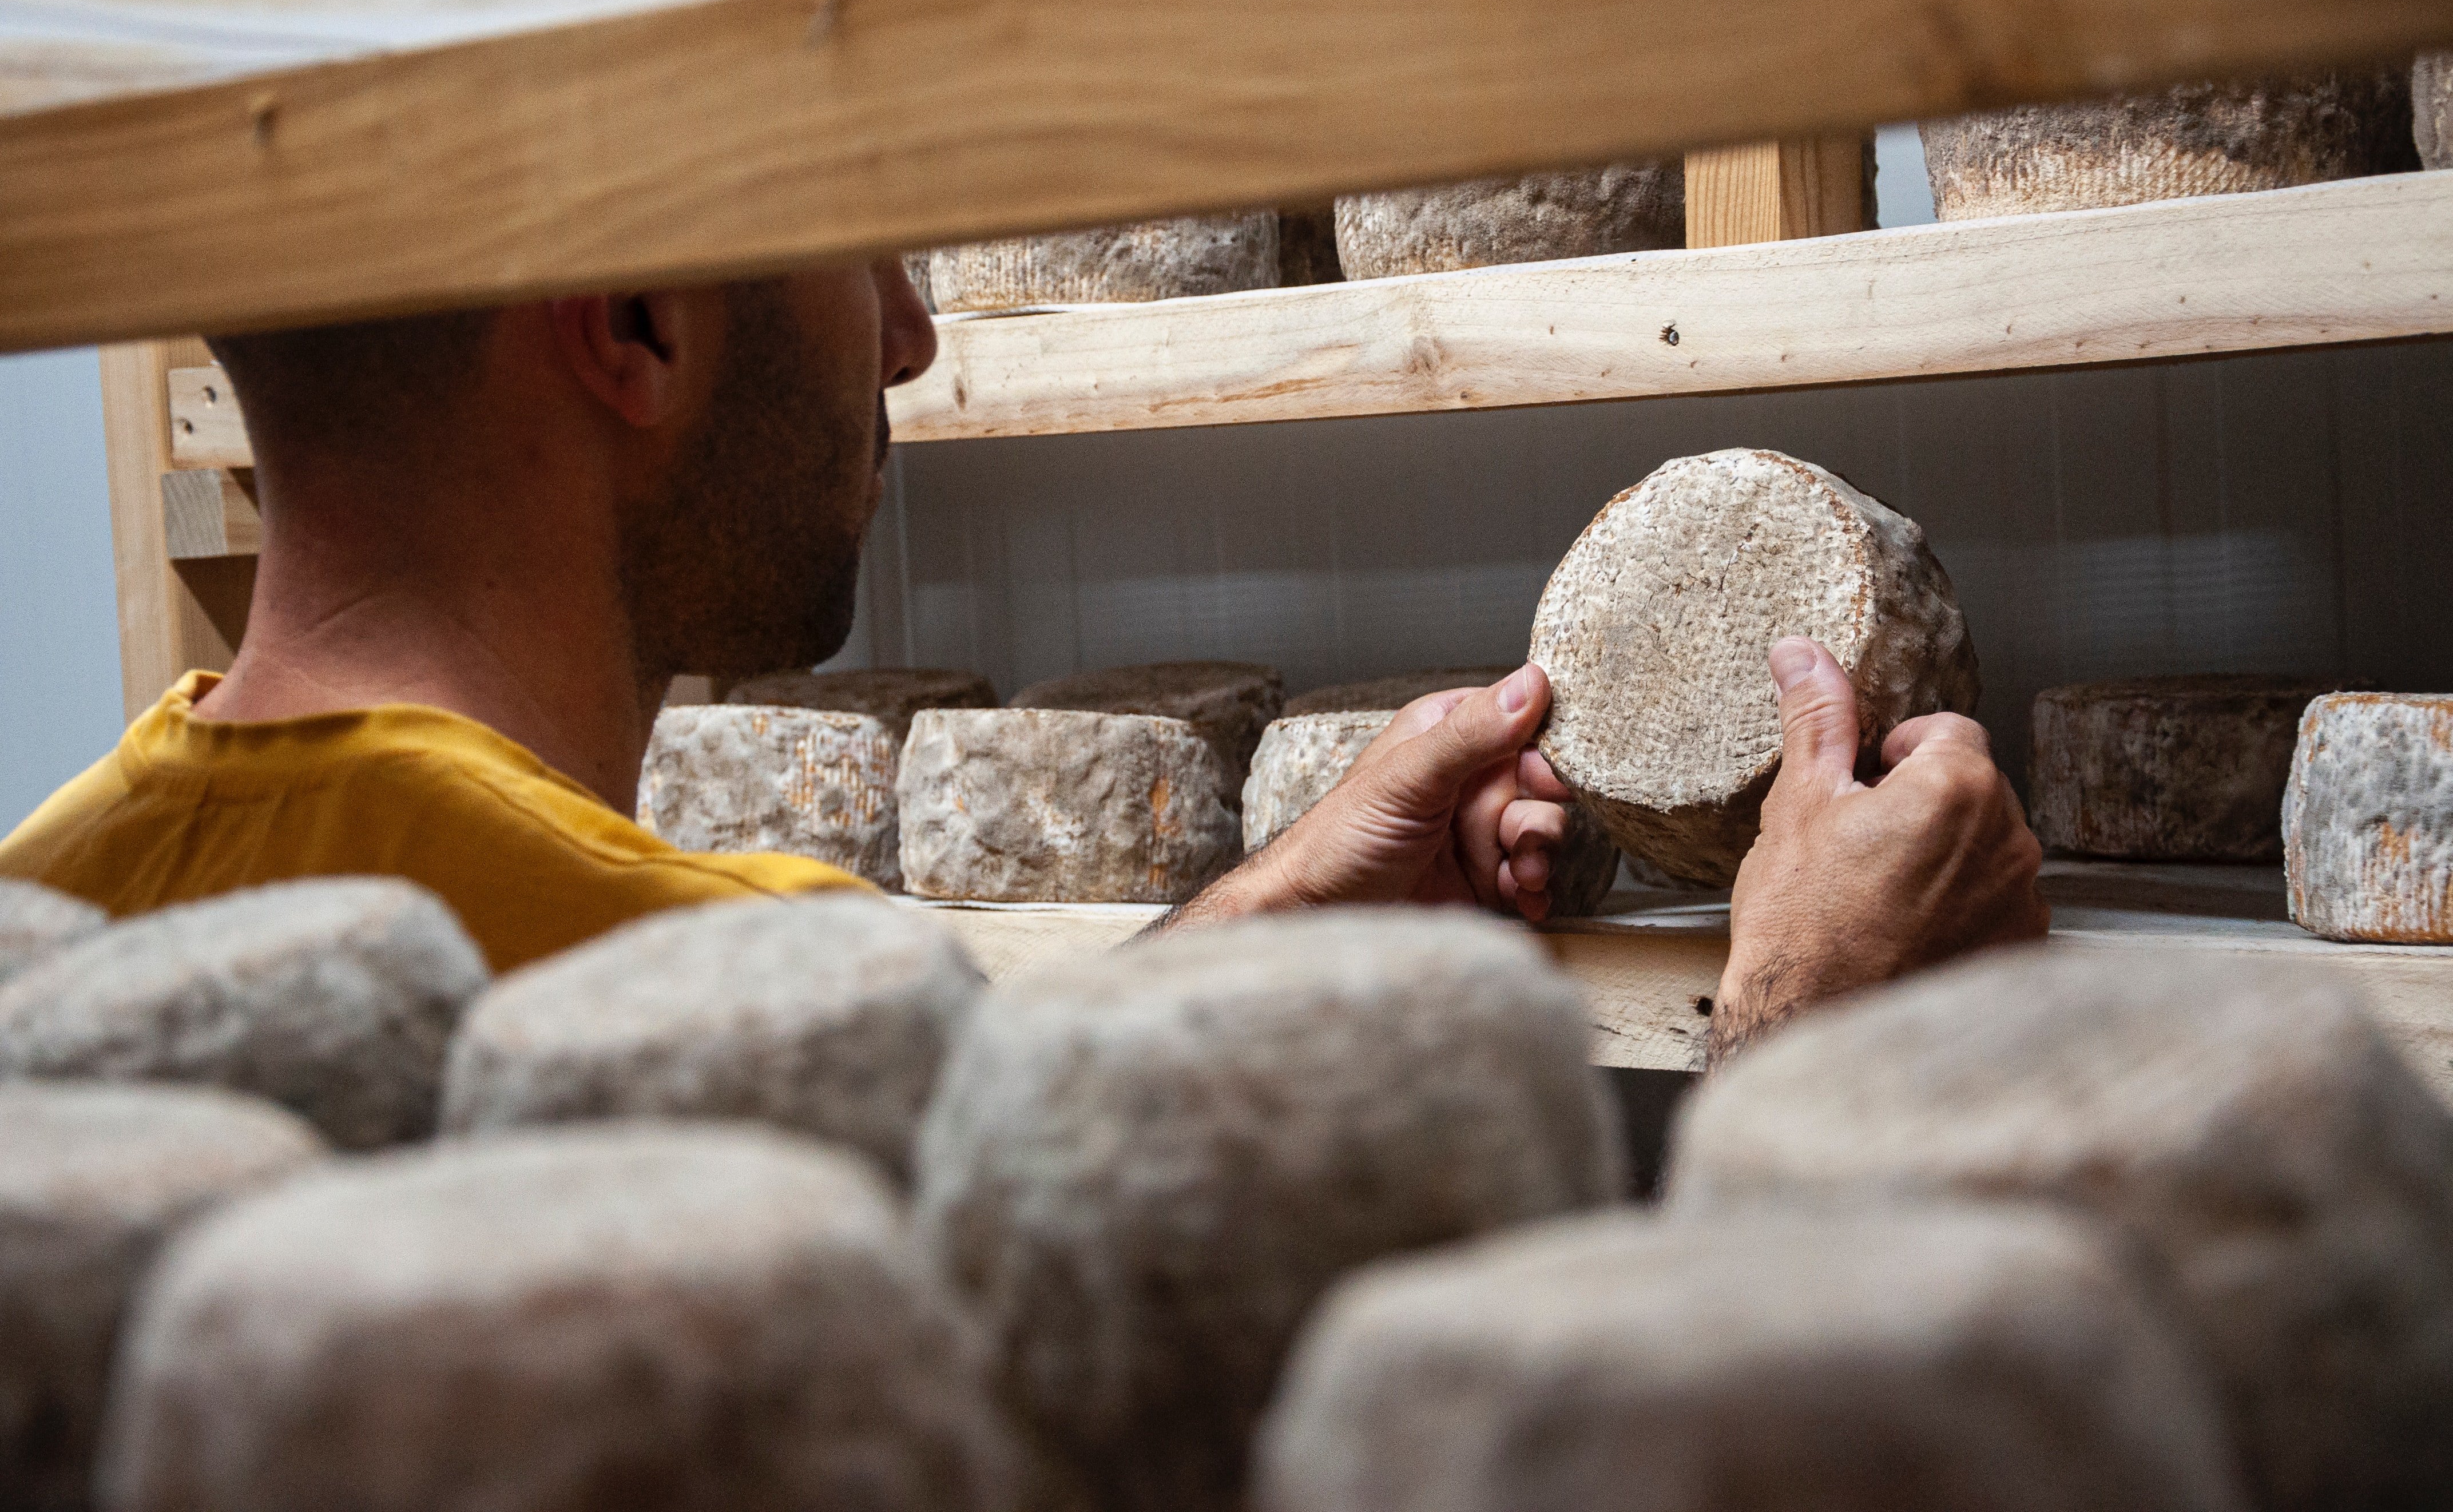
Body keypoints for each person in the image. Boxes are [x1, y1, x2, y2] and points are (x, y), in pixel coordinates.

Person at [0, 261, 2045, 1056]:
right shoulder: (732, 1012)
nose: (908, 333)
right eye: (865, 249)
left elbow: (948, 1160)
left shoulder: (58, 899)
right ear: (632, 320)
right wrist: (1808, 1038)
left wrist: (1263, 912)